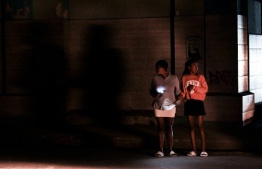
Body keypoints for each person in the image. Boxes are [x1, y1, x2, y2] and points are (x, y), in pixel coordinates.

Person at [149, 60, 183, 157]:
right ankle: (160, 150)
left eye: (157, 67)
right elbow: (151, 91)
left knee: (169, 127)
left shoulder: (173, 78)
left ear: (163, 68)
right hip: (158, 106)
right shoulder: (155, 78)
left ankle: (171, 149)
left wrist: (178, 101)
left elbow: (179, 93)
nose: (156, 69)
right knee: (160, 127)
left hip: (170, 106)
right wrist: (156, 94)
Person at [181, 58, 208, 157]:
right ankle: (194, 150)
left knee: (200, 126)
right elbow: (183, 92)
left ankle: (203, 150)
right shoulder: (184, 77)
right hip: (189, 103)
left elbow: (205, 89)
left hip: (198, 102)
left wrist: (194, 88)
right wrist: (179, 98)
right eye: (194, 66)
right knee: (191, 127)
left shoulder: (200, 77)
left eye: (197, 65)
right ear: (189, 67)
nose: (196, 67)